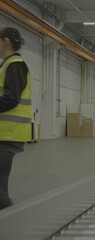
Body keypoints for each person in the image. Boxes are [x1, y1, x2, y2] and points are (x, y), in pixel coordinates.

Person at [0, 27, 32, 209]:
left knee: (0, 191)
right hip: (5, 134)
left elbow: (11, 99)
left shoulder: (15, 65)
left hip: (8, 134)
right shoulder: (7, 64)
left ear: (5, 41)